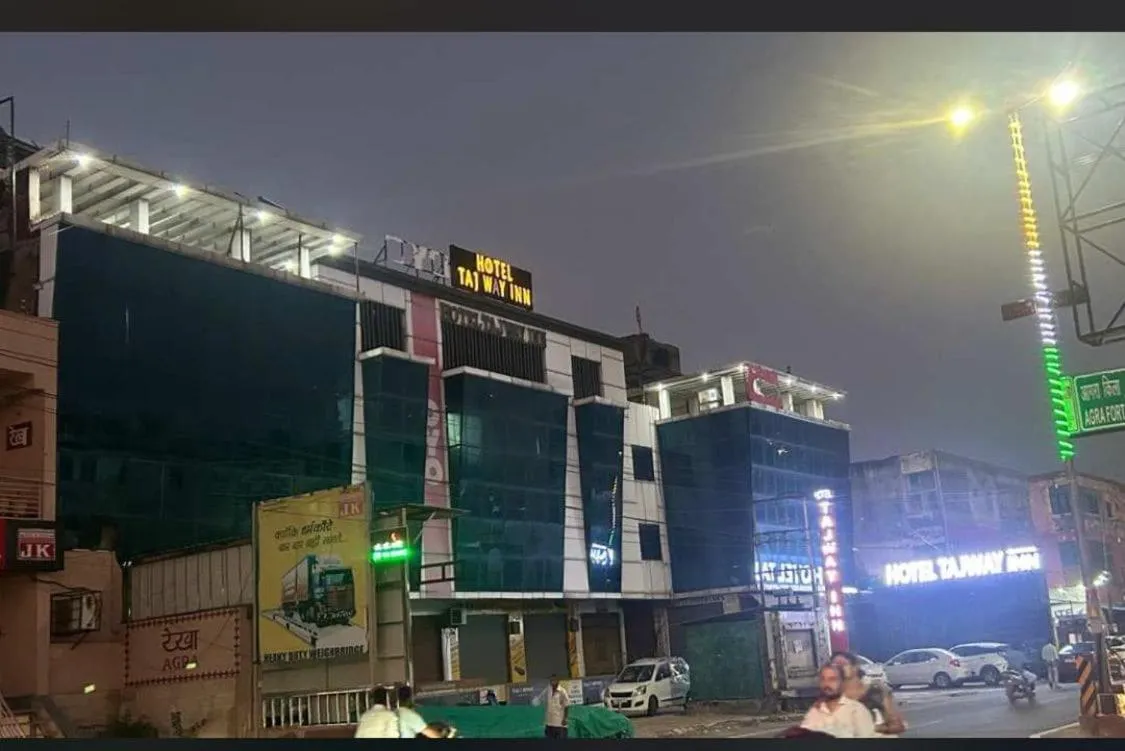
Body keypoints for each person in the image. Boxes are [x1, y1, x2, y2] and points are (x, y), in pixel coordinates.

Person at [830, 651, 906, 735]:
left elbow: (898, 726)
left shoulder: (877, 691)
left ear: (855, 667)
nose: (838, 668)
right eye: (834, 666)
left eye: (842, 664)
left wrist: (873, 727)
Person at [799, 663, 878, 738]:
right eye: (823, 679)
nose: (826, 684)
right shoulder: (815, 711)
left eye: (832, 679)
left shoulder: (856, 710)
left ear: (842, 682)